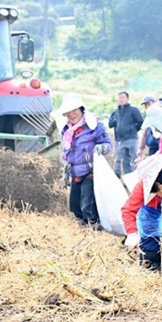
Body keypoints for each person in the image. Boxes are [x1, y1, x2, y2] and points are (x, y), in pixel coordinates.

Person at [59, 93, 112, 226]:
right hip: (76, 171)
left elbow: (108, 144)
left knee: (87, 204)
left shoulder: (94, 127)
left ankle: (94, 225)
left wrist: (102, 147)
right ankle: (83, 226)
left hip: (91, 170)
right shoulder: (67, 130)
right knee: (75, 206)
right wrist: (66, 170)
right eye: (68, 112)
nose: (71, 114)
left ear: (82, 110)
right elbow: (67, 152)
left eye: (74, 110)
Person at [108, 91, 143, 177]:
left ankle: (138, 176)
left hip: (131, 138)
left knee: (134, 158)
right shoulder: (116, 111)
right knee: (125, 160)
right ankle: (128, 177)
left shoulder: (133, 110)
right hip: (120, 139)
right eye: (119, 97)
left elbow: (140, 121)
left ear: (127, 99)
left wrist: (133, 130)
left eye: (123, 97)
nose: (121, 99)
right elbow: (110, 124)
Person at [137, 95, 160, 159]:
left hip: (161, 147)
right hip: (152, 147)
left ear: (154, 103)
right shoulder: (148, 117)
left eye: (148, 104)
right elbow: (144, 134)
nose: (147, 106)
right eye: (145, 105)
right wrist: (140, 148)